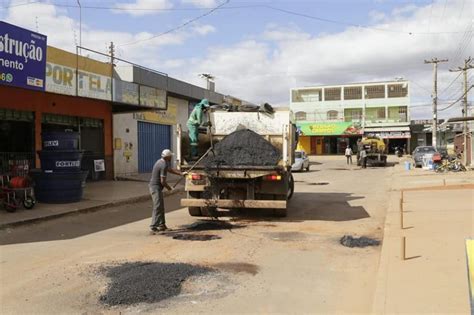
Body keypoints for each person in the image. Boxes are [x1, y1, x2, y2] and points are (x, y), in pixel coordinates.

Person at [149, 149, 185, 233]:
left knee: (160, 206)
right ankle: (153, 226)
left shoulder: (160, 162)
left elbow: (170, 170)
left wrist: (181, 173)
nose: (171, 157)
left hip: (156, 187)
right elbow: (163, 181)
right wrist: (169, 188)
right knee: (157, 206)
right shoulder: (163, 164)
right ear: (167, 157)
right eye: (171, 156)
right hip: (155, 187)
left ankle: (162, 225)